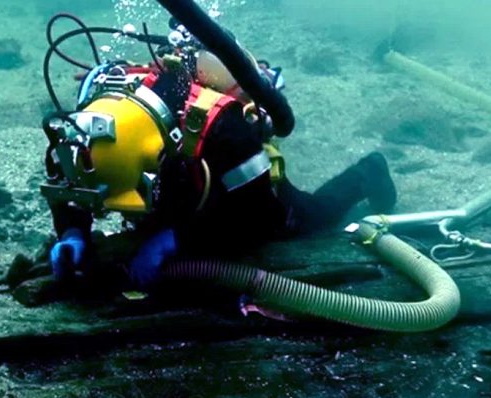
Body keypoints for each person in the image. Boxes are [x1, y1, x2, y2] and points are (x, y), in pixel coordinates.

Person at [40, 21, 397, 288]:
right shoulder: (90, 127)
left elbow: (254, 215)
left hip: (235, 192)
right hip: (188, 186)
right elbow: (70, 186)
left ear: (157, 155)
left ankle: (368, 172)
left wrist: (180, 240)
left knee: (304, 220)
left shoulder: (226, 129)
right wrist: (73, 232)